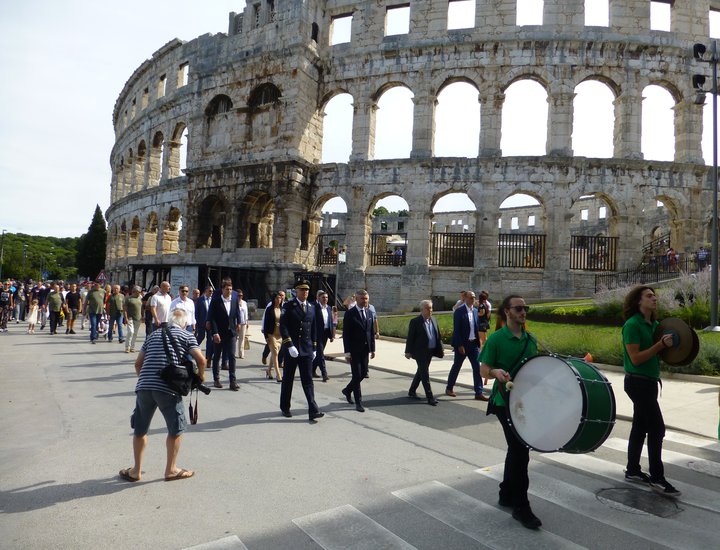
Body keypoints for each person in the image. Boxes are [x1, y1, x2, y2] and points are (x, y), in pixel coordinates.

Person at [119, 308, 206, 483]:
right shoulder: (187, 336)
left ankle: (136, 471)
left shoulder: (152, 335)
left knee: (140, 430)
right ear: (185, 324)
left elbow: (138, 364)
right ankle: (171, 470)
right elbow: (201, 360)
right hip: (169, 389)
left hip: (144, 386)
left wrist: (147, 381)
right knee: (175, 430)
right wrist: (201, 376)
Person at [480, 294, 541, 529]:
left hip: (524, 404)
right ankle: (521, 506)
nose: (523, 312)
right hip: (503, 402)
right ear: (507, 312)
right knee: (520, 451)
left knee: (515, 450)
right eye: (518, 308)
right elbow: (484, 369)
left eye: (525, 308)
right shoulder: (497, 339)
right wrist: (495, 373)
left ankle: (506, 492)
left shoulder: (531, 340)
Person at [621, 285, 681, 496]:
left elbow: (665, 350)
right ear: (639, 301)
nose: (654, 298)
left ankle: (633, 471)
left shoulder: (655, 325)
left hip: (650, 383)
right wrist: (660, 346)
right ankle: (657, 477)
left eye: (655, 295)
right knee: (657, 429)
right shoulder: (632, 325)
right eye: (649, 296)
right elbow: (636, 359)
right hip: (637, 383)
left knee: (639, 427)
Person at [279, 280, 323, 421]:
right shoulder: (289, 306)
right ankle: (285, 407)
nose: (305, 293)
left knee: (308, 380)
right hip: (293, 349)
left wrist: (315, 347)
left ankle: (313, 410)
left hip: (306, 349)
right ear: (296, 291)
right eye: (302, 290)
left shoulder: (311, 307)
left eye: (307, 290)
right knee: (288, 379)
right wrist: (289, 344)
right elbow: (283, 327)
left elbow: (314, 328)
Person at [445, 290, 486, 401]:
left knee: (477, 368)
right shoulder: (459, 312)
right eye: (470, 297)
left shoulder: (475, 311)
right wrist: (460, 345)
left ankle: (478, 392)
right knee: (457, 366)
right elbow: (457, 330)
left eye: (474, 297)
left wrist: (479, 343)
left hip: (473, 345)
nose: (473, 299)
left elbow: (476, 328)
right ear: (465, 298)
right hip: (462, 344)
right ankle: (449, 388)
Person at [341, 289, 375, 413]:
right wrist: (347, 352)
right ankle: (358, 402)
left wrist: (373, 349)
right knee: (356, 375)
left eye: (366, 299)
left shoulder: (369, 312)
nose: (365, 301)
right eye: (362, 299)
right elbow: (346, 335)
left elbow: (370, 332)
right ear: (356, 299)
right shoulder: (350, 314)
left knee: (363, 373)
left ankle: (347, 390)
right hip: (354, 350)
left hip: (365, 349)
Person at [404, 299, 443, 406]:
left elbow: (438, 336)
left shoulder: (434, 320)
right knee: (425, 374)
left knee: (421, 372)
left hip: (430, 351)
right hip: (420, 352)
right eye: (428, 308)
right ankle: (430, 397)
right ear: (422, 309)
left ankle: (412, 390)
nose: (430, 310)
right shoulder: (415, 322)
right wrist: (408, 351)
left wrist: (441, 349)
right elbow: (410, 338)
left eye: (431, 308)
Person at [208, 278, 242, 391]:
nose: (229, 291)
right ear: (222, 290)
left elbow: (237, 312)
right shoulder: (216, 301)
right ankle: (216, 379)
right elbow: (212, 318)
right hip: (219, 333)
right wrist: (215, 333)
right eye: (227, 289)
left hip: (231, 332)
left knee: (232, 356)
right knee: (217, 356)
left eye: (231, 289)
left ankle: (233, 381)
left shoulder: (234, 300)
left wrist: (238, 323)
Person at [312, 290, 335, 381]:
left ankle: (311, 370)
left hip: (325, 333)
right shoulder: (314, 307)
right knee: (320, 354)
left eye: (326, 297)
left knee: (319, 354)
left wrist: (332, 334)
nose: (325, 299)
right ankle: (324, 373)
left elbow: (331, 321)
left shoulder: (329, 308)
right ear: (318, 298)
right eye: (323, 297)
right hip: (317, 334)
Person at [262, 291, 284, 382]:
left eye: (280, 298)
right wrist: (266, 336)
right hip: (271, 334)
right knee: (275, 352)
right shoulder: (269, 309)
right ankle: (278, 375)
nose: (278, 300)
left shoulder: (283, 309)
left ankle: (268, 371)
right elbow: (266, 323)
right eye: (277, 298)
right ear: (273, 299)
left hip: (280, 335)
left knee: (275, 353)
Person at [194, 286, 213, 358]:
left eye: (212, 291)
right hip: (201, 322)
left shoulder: (213, 300)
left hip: (210, 323)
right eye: (210, 291)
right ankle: (192, 349)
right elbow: (197, 312)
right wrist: (196, 323)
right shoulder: (200, 300)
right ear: (206, 291)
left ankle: (208, 357)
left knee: (210, 340)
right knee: (200, 337)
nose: (211, 293)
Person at [124, 286, 143, 353]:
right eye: (139, 292)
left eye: (140, 292)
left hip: (138, 318)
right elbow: (125, 309)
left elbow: (142, 308)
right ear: (134, 292)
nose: (140, 293)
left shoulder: (140, 298)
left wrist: (142, 316)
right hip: (130, 318)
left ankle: (132, 347)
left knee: (135, 333)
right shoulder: (128, 298)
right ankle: (127, 347)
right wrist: (125, 318)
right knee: (130, 332)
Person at [235, 289, 249, 359]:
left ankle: (241, 353)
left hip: (243, 323)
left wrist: (247, 322)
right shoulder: (233, 302)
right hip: (235, 323)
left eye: (241, 295)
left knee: (242, 338)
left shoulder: (244, 303)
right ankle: (231, 352)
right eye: (239, 295)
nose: (240, 297)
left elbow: (246, 313)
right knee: (234, 338)